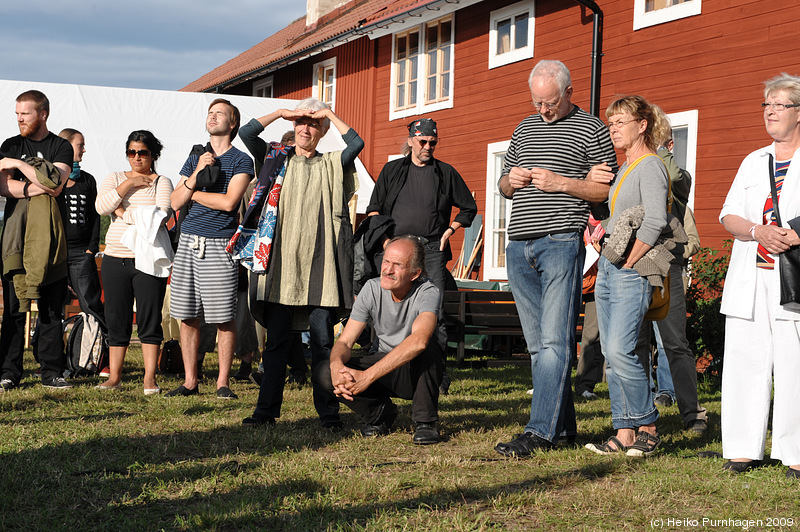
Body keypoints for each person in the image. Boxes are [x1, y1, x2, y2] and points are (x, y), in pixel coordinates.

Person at [493, 60, 616, 456]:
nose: (542, 110)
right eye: (536, 102)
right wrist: (509, 181)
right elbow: (503, 184)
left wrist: (561, 182)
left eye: (549, 102)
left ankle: (539, 432)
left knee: (554, 341)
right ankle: (562, 429)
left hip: (561, 240)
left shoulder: (593, 128)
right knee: (537, 346)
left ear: (568, 92)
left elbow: (605, 192)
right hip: (518, 245)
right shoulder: (525, 127)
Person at [233, 97, 363, 428]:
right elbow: (247, 133)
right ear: (293, 126)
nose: (305, 128)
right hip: (281, 269)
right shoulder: (276, 159)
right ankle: (266, 412)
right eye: (300, 123)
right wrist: (281, 112)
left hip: (320, 270)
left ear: (321, 130)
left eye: (312, 124)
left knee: (322, 344)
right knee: (276, 343)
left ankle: (329, 414)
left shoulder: (333, 163)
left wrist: (330, 114)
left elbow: (357, 142)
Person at [719, 73, 800, 479]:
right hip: (751, 276)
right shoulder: (753, 160)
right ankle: (742, 448)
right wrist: (756, 231)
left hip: (792, 278)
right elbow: (728, 214)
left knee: (794, 363)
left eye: (779, 105)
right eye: (766, 105)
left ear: (798, 113)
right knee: (744, 360)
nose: (770, 111)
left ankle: (795, 452)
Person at [584, 95, 671, 457]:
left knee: (620, 350)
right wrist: (599, 229)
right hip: (608, 266)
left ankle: (648, 425)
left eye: (620, 122)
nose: (613, 129)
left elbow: (655, 220)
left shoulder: (650, 165)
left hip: (628, 269)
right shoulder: (623, 170)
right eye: (611, 123)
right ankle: (624, 431)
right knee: (611, 350)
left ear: (642, 125)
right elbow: (619, 219)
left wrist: (629, 261)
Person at [367, 118, 476, 394]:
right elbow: (374, 209)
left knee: (434, 312)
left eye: (433, 143)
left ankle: (435, 376)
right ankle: (379, 365)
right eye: (423, 142)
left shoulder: (444, 172)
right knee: (384, 307)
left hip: (430, 250)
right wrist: (385, 240)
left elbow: (468, 208)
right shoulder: (392, 170)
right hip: (395, 250)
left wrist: (448, 232)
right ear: (411, 141)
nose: (428, 147)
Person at [317, 236, 444, 443]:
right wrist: (335, 366)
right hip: (381, 364)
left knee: (429, 349)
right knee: (324, 371)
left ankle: (425, 423)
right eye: (386, 261)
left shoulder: (428, 291)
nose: (387, 270)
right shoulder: (371, 288)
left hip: (413, 373)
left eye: (397, 265)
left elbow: (419, 340)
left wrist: (367, 377)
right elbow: (345, 341)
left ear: (415, 273)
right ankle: (379, 414)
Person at [167, 98, 254, 399]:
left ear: (232, 123)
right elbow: (174, 202)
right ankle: (191, 381)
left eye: (220, 114)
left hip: (220, 242)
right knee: (187, 314)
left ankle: (223, 383)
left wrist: (193, 195)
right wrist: (195, 177)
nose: (213, 116)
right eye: (210, 113)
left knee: (222, 316)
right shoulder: (196, 157)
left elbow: (230, 203)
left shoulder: (242, 160)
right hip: (189, 241)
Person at [0, 90, 71, 391]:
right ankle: (8, 371)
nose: (19, 119)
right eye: (17, 114)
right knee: (15, 309)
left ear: (43, 114)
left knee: (51, 310)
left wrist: (19, 165)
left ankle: (51, 371)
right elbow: (3, 187)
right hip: (16, 239)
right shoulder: (10, 143)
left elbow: (57, 184)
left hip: (52, 241)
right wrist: (35, 185)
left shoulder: (61, 146)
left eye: (25, 114)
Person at [95, 131, 173, 394]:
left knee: (149, 319)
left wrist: (122, 212)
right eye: (132, 152)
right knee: (117, 317)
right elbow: (101, 206)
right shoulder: (115, 178)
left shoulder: (162, 181)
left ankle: (149, 378)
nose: (137, 157)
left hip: (148, 258)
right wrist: (128, 185)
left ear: (153, 155)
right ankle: (114, 376)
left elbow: (161, 215)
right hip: (115, 257)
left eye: (143, 152)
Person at [56, 129, 105, 336]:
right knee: (51, 306)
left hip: (80, 253)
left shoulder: (88, 180)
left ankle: (99, 353)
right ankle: (50, 360)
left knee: (91, 303)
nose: (84, 149)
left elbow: (95, 216)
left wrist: (91, 249)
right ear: (67, 147)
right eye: (80, 145)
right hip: (56, 252)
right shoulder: (52, 178)